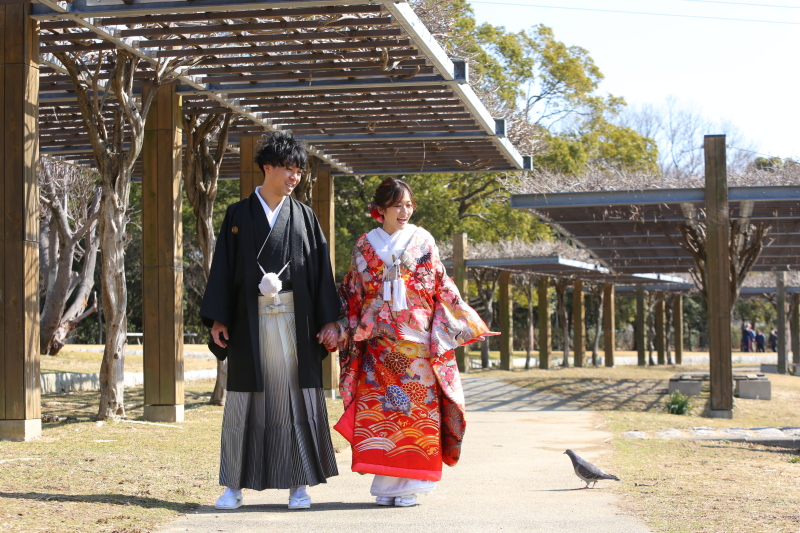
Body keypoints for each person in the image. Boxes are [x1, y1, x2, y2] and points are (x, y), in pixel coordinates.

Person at [200, 131, 340, 511]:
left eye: (299, 171)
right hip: (249, 321)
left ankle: (298, 485)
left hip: (295, 319)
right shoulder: (237, 215)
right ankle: (233, 486)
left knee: (295, 401)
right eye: (288, 169)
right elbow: (223, 271)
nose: (294, 177)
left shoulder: (305, 217)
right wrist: (217, 319)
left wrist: (330, 321)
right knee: (243, 404)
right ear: (267, 167)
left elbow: (320, 273)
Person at [332, 177, 494, 507]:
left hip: (418, 343)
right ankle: (388, 486)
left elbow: (440, 284)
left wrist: (463, 319)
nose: (405, 211)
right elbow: (353, 292)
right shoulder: (364, 245)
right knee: (384, 413)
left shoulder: (423, 240)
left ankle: (412, 485)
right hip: (379, 345)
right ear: (380, 209)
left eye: (409, 205)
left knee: (418, 414)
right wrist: (340, 325)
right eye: (397, 205)